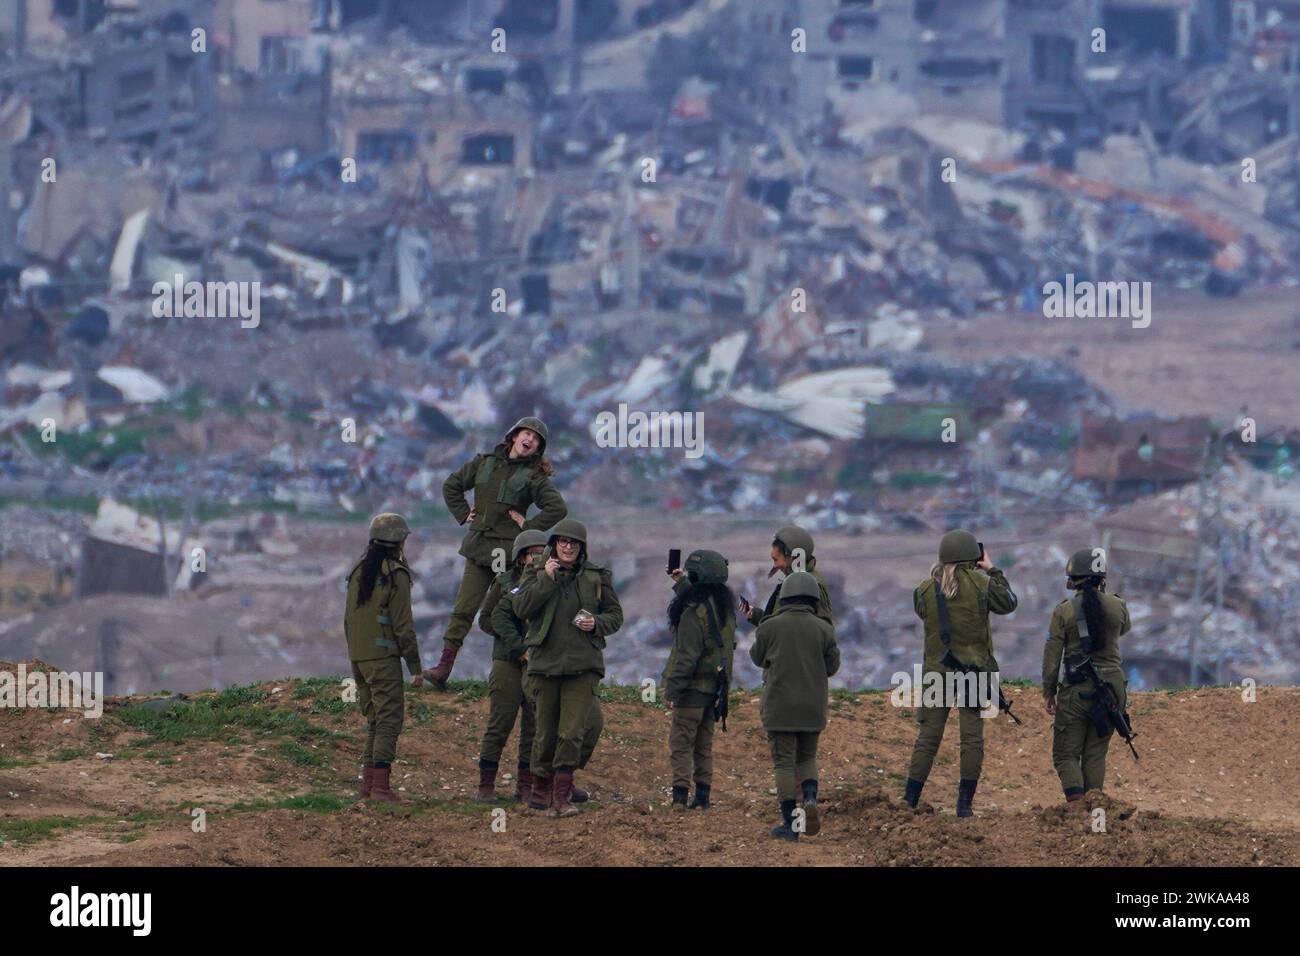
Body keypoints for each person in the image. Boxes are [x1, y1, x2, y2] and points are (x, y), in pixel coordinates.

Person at [424, 417, 567, 689]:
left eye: (536, 439)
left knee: (507, 613)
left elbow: (557, 508)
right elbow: (451, 485)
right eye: (527, 434)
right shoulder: (484, 462)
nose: (530, 440)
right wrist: (465, 513)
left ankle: (518, 671)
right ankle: (443, 667)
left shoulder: (533, 477)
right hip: (479, 548)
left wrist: (529, 528)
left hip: (510, 554)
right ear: (514, 436)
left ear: (538, 449)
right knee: (464, 609)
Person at [902, 530, 1018, 817]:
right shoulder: (983, 584)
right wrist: (993, 570)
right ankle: (964, 807)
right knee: (971, 739)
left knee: (928, 737)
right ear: (972, 556)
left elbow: (922, 611)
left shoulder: (925, 590)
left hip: (936, 672)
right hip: (974, 673)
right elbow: (1009, 603)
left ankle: (909, 799)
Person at [512, 518, 623, 817]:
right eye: (562, 541)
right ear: (554, 545)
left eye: (573, 543)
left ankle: (561, 796)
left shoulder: (597, 576)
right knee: (545, 733)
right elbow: (521, 608)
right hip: (544, 665)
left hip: (582, 666)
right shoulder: (535, 572)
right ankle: (541, 788)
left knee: (571, 732)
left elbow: (615, 615)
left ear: (582, 547)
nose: (568, 546)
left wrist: (596, 623)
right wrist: (546, 579)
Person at [749, 571, 840, 841]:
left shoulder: (770, 626)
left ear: (785, 596)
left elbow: (756, 658)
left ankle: (791, 825)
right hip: (812, 706)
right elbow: (832, 667)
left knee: (785, 765)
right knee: (807, 758)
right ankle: (810, 799)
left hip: (780, 706)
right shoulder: (824, 628)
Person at [344, 513, 424, 803]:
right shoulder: (395, 574)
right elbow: (403, 625)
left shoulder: (359, 571)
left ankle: (368, 786)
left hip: (359, 657)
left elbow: (348, 619)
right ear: (400, 541)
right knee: (389, 721)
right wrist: (415, 667)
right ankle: (381, 788)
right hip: (383, 658)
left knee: (375, 720)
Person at [1043, 548, 1132, 801]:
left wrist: (1049, 692)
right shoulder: (1118, 606)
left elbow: (1052, 658)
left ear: (1074, 580)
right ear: (1101, 578)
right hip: (1112, 688)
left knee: (1066, 755)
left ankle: (1076, 811)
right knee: (1095, 755)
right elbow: (1123, 630)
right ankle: (1094, 812)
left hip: (1078, 689)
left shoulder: (1064, 611)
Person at [474, 529, 548, 802]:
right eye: (534, 553)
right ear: (522, 556)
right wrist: (514, 641)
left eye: (544, 553)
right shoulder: (504, 582)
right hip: (507, 660)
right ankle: (486, 785)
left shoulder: (549, 582)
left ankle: (525, 786)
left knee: (534, 726)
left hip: (538, 663)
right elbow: (486, 620)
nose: (539, 558)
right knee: (500, 722)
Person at [663, 550, 736, 811]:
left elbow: (686, 659)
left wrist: (671, 691)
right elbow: (704, 610)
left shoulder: (692, 613)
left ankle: (679, 798)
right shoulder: (724, 608)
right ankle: (702, 797)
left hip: (691, 691)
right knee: (704, 746)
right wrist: (681, 582)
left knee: (681, 744)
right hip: (714, 691)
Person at [740, 525, 833, 627]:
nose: (775, 565)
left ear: (792, 557)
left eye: (776, 559)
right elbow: (783, 625)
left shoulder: (806, 586)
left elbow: (791, 632)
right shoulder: (800, 580)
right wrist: (755, 615)